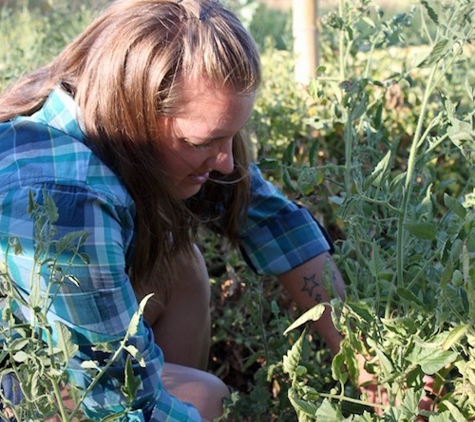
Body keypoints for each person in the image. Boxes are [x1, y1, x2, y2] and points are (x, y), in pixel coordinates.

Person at [0, 0, 348, 420]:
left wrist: (357, 355)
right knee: (203, 398)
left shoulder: (109, 110)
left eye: (231, 136)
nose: (228, 163)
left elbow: (273, 222)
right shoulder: (67, 201)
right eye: (203, 143)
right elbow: (117, 400)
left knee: (179, 262)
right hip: (17, 380)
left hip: (53, 346)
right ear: (134, 113)